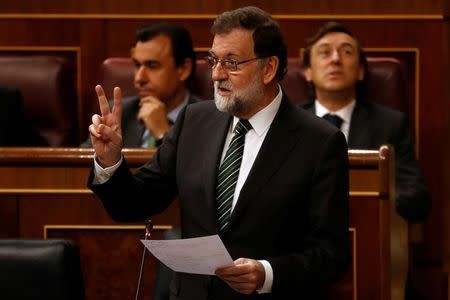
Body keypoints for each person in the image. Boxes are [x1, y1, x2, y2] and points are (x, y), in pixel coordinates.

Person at [88, 6, 350, 299]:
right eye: (213, 60)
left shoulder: (320, 142)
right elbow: (133, 204)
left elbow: (332, 255)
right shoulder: (194, 121)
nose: (216, 74)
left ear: (269, 68)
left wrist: (267, 273)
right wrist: (109, 160)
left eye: (232, 62)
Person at [301, 21, 431, 223]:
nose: (335, 59)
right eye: (325, 52)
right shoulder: (289, 124)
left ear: (361, 70)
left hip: (366, 233)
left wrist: (370, 201)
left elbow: (416, 198)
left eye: (346, 52)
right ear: (307, 71)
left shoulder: (390, 124)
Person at [82, 23, 201, 147]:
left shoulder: (206, 119)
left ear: (184, 69)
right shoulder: (120, 113)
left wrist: (163, 134)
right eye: (137, 65)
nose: (139, 78)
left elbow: (196, 165)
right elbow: (77, 165)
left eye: (152, 65)